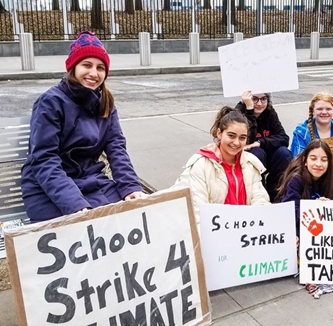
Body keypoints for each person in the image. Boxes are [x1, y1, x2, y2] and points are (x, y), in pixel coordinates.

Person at [21, 31, 144, 223]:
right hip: (47, 189)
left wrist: (130, 187)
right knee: (83, 232)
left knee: (132, 219)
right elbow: (44, 159)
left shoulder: (106, 103)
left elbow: (116, 147)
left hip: (91, 181)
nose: (94, 73)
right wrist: (75, 204)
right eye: (87, 65)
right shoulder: (50, 102)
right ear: (73, 67)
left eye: (100, 67)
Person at [173, 106, 269, 224]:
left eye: (242, 138)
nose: (236, 143)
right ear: (219, 133)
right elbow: (197, 212)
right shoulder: (200, 165)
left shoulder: (251, 164)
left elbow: (261, 201)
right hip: (214, 235)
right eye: (231, 136)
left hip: (245, 235)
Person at [278, 139, 333, 234]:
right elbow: (289, 213)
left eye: (324, 160)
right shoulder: (295, 180)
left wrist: (331, 206)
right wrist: (314, 209)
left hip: (326, 231)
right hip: (299, 228)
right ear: (305, 160)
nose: (318, 164)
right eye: (313, 158)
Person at [235, 91, 292, 200]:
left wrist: (260, 142)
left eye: (263, 99)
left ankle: (275, 193)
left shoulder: (269, 112)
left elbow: (283, 138)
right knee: (257, 153)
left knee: (284, 153)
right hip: (247, 159)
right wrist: (250, 109)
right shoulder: (238, 113)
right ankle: (259, 195)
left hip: (267, 154)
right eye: (255, 99)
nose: (260, 103)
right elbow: (248, 139)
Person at [290, 92, 333, 158]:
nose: (324, 112)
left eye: (328, 109)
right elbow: (298, 161)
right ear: (313, 111)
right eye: (319, 109)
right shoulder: (301, 133)